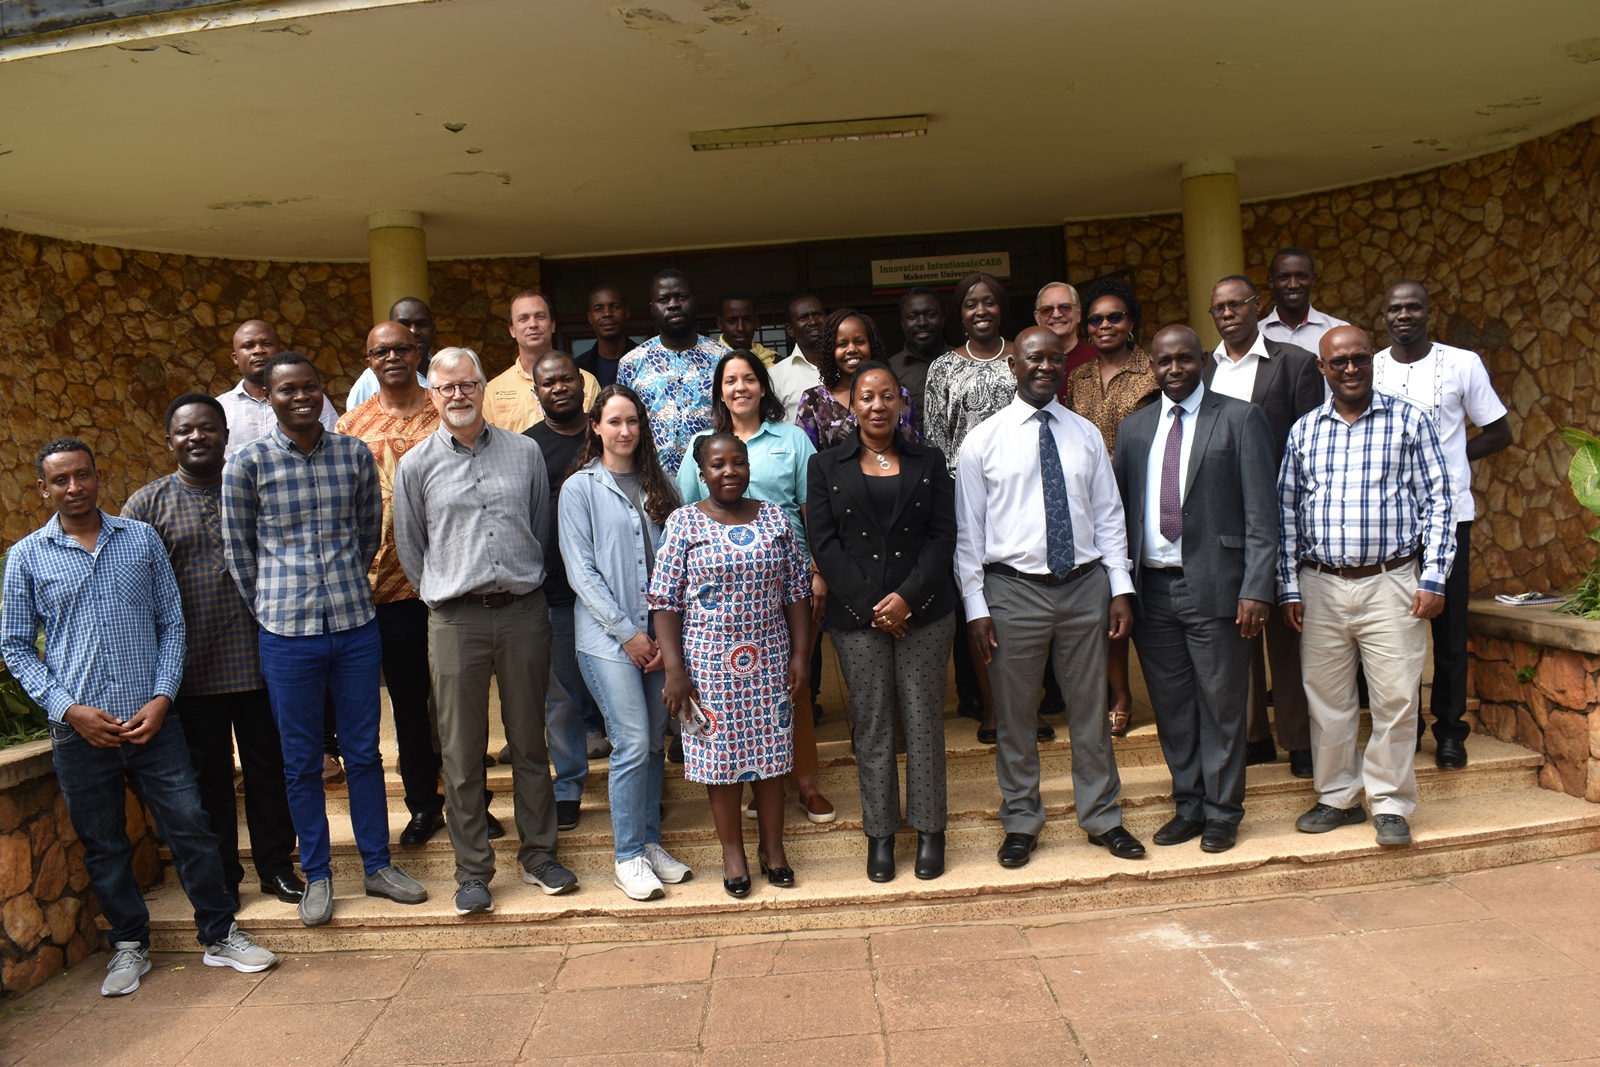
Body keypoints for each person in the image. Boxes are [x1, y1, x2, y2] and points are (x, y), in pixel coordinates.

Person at [3, 439, 278, 996]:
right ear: (43, 489)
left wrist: (161, 698)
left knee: (192, 827)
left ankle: (220, 934)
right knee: (104, 842)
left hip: (153, 722)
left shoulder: (141, 538)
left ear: (97, 477)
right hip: (79, 731)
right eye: (61, 480)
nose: (74, 488)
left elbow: (172, 625)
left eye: (83, 475)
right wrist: (68, 710)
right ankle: (129, 944)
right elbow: (14, 646)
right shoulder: (29, 556)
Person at [222, 351, 428, 926]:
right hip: (286, 634)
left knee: (364, 754)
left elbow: (368, 535)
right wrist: (268, 606)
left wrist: (342, 586)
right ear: (271, 396)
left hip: (355, 627)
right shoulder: (248, 465)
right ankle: (318, 874)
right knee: (300, 761)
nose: (301, 397)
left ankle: (379, 867)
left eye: (310, 386)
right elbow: (239, 551)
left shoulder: (353, 455)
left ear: (322, 390)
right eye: (288, 390)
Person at [392, 347, 578, 916]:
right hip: (454, 619)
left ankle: (540, 854)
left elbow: (539, 527)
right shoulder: (415, 465)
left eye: (467, 384)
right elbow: (410, 546)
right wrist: (444, 592)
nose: (458, 395)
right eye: (446, 387)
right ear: (433, 395)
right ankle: (472, 869)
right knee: (461, 747)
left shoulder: (524, 453)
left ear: (482, 388)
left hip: (522, 612)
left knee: (528, 739)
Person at [955, 327, 1146, 867]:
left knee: (1091, 710)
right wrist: (976, 606)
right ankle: (1020, 820)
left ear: (1065, 365)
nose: (1045, 367)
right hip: (1012, 591)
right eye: (1033, 358)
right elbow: (968, 535)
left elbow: (1109, 518)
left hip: (1085, 586)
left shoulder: (1085, 434)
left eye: (1055, 359)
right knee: (1015, 716)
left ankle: (1103, 817)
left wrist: (1120, 588)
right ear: (1013, 365)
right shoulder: (983, 440)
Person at [122, 395, 302, 906]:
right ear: (169, 440)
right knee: (210, 778)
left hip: (262, 657)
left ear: (226, 434)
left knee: (269, 769)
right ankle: (223, 874)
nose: (196, 437)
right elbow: (134, 591)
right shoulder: (145, 505)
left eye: (206, 428)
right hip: (190, 669)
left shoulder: (253, 488)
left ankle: (275, 867)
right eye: (184, 431)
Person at [1280, 326, 1456, 848]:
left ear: (1372, 362)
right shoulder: (1304, 431)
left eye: (1360, 359)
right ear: (1322, 368)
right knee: (1327, 700)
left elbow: (1440, 503)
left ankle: (1390, 803)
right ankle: (1337, 797)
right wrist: (1288, 587)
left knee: (1397, 699)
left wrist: (1434, 575)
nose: (1351, 369)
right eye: (1340, 363)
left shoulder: (1410, 421)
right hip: (1320, 586)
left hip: (1393, 582)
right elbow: (1286, 512)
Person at [1112, 326, 1278, 854]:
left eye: (1186, 358)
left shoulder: (1240, 417)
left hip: (1220, 589)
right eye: (1166, 361)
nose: (1176, 368)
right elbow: (1118, 516)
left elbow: (1262, 514)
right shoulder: (1135, 429)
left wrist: (1257, 587)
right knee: (1173, 707)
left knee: (1223, 705)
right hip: (1154, 591)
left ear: (1200, 361)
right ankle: (1189, 805)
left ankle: (1224, 812)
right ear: (1153, 366)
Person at [807, 361, 957, 882]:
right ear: (853, 405)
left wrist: (907, 598)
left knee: (923, 721)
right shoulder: (826, 466)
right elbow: (824, 544)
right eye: (866, 397)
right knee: (871, 727)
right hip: (857, 616)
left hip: (926, 612)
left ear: (901, 402)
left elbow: (943, 537)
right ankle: (881, 835)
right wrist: (875, 603)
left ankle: (931, 831)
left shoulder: (929, 460)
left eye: (886, 396)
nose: (876, 405)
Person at [651, 433, 812, 897]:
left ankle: (774, 849)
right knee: (720, 761)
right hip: (706, 665)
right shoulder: (683, 524)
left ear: (748, 467)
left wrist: (801, 655)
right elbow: (665, 602)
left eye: (737, 463)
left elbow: (797, 591)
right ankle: (733, 853)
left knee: (771, 756)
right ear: (701, 472)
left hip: (770, 657)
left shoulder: (775, 519)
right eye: (717, 464)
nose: (729, 471)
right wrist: (675, 671)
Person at [678, 350, 834, 823]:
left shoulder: (792, 439)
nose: (740, 387)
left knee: (794, 680)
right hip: (723, 591)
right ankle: (752, 781)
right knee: (734, 691)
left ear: (763, 387)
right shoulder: (700, 445)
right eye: (730, 380)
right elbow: (688, 510)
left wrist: (818, 569)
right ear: (720, 391)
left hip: (786, 578)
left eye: (749, 378)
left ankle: (805, 782)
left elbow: (814, 507)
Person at [561, 386, 693, 900]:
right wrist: (629, 634)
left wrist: (663, 638)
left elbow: (679, 564)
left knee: (655, 743)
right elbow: (581, 571)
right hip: (607, 639)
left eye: (632, 421)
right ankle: (627, 856)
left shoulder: (659, 485)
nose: (624, 431)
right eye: (613, 421)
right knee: (632, 740)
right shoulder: (580, 489)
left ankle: (651, 844)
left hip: (661, 639)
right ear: (596, 427)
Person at [1375, 280, 1512, 770]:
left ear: (1429, 312)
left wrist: (1452, 456)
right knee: (1395, 630)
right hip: (1391, 524)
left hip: (1450, 516)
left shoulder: (1462, 363)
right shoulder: (1372, 369)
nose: (1404, 315)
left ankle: (1450, 732)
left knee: (1449, 633)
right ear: (1384, 316)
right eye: (1395, 308)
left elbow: (1500, 430)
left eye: (1413, 307)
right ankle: (1405, 727)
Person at [1204, 275, 1325, 778]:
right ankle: (1254, 736)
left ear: (1258, 308)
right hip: (1220, 520)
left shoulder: (1293, 364)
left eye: (1237, 304)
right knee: (1239, 627)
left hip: (1281, 513)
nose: (1228, 313)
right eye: (1219, 307)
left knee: (1287, 632)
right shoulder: (1201, 370)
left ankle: (1298, 739)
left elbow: (1312, 442)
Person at [336, 322, 447, 846]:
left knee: (455, 702)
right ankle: (425, 804)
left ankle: (474, 800)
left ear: (418, 351)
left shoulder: (446, 409)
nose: (393, 357)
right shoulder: (350, 425)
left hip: (449, 582)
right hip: (382, 590)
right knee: (407, 703)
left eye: (402, 348)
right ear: (369, 360)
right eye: (381, 350)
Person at [923, 272, 1021, 738]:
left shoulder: (1021, 357)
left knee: (1023, 600)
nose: (980, 311)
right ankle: (989, 706)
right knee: (976, 602)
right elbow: (937, 441)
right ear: (959, 313)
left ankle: (1028, 705)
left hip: (1023, 500)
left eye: (989, 302)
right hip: (966, 501)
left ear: (1001, 307)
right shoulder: (942, 368)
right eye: (970, 304)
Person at [1067, 275, 1159, 737]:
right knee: (1108, 603)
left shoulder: (1153, 370)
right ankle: (1120, 695)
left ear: (1131, 322)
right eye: (1095, 319)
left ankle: (1163, 690)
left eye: (1114, 317)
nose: (1104, 325)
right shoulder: (1077, 377)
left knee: (1147, 598)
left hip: (1145, 498)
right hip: (1091, 504)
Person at [524, 352, 605, 826]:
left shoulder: (607, 435)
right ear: (537, 393)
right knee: (563, 697)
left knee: (622, 694)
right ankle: (570, 782)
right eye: (548, 382)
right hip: (554, 590)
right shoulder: (527, 448)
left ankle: (633, 781)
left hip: (611, 590)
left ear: (582, 384)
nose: (559, 387)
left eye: (566, 379)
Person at [617, 269, 728, 477]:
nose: (674, 304)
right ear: (652, 309)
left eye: (682, 297)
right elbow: (624, 423)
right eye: (663, 299)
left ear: (695, 302)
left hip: (713, 481)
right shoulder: (631, 363)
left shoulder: (723, 359)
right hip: (650, 481)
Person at [797, 309, 921, 451]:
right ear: (831, 350)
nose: (851, 349)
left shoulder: (898, 394)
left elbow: (913, 450)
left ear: (872, 345)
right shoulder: (813, 401)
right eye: (842, 344)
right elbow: (806, 460)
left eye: (859, 342)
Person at [217, 320, 338, 458]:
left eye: (266, 344)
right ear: (235, 358)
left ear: (280, 351)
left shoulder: (308, 400)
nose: (259, 351)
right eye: (248, 345)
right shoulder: (220, 408)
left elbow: (333, 445)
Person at [485, 291, 601, 432]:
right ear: (512, 330)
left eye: (540, 316)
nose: (533, 324)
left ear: (552, 325)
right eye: (523, 319)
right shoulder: (492, 391)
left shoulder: (587, 382)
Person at [346, 297, 435, 409]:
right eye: (404, 325)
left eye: (421, 324)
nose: (413, 331)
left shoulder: (447, 371)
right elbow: (356, 423)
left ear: (433, 329)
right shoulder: (369, 381)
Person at [1260, 247, 1350, 354]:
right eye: (1284, 277)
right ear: (1271, 282)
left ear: (1313, 280)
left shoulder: (1338, 331)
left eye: (1301, 276)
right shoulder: (1256, 335)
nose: (1293, 285)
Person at [768, 294, 828, 423]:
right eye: (803, 317)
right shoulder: (776, 376)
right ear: (790, 329)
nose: (813, 321)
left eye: (817, 314)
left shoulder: (846, 367)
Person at [888, 287, 950, 413]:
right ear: (902, 323)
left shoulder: (964, 362)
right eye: (912, 316)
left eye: (930, 315)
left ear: (943, 319)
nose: (922, 322)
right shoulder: (889, 370)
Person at [1034, 281, 1098, 392]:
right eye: (1047, 310)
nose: (1056, 315)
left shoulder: (1098, 358)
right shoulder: (1029, 362)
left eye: (1064, 307)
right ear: (1037, 318)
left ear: (1078, 314)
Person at [581, 282, 636, 387]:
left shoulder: (646, 361)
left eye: (615, 307)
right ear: (589, 318)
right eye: (598, 309)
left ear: (627, 312)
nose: (607, 314)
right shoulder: (579, 368)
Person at [715, 290, 779, 365]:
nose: (740, 328)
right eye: (732, 321)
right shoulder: (707, 361)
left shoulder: (774, 360)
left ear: (756, 321)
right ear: (720, 324)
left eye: (747, 320)